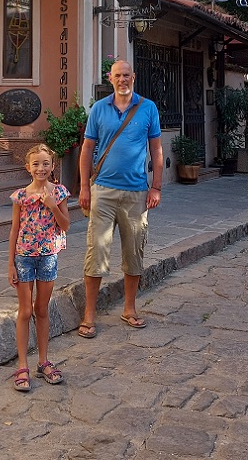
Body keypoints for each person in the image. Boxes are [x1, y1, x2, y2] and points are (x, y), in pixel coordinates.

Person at [77, 60, 163, 338]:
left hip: (136, 193)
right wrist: (84, 187)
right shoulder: (99, 109)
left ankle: (129, 308)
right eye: (118, 76)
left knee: (134, 252)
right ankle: (89, 315)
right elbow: (87, 148)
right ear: (110, 78)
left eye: (126, 75)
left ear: (133, 77)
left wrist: (156, 187)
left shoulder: (148, 108)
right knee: (96, 252)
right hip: (103, 190)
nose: (122, 79)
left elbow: (156, 150)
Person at [7, 143, 70, 391]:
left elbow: (65, 225)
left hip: (48, 257)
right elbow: (14, 230)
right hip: (23, 257)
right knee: (25, 311)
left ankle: (43, 361)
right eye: (36, 164)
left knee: (42, 309)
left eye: (45, 163)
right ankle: (22, 365)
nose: (41, 168)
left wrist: (52, 205)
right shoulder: (20, 196)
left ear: (53, 166)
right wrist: (10, 264)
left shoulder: (59, 192)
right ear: (28, 167)